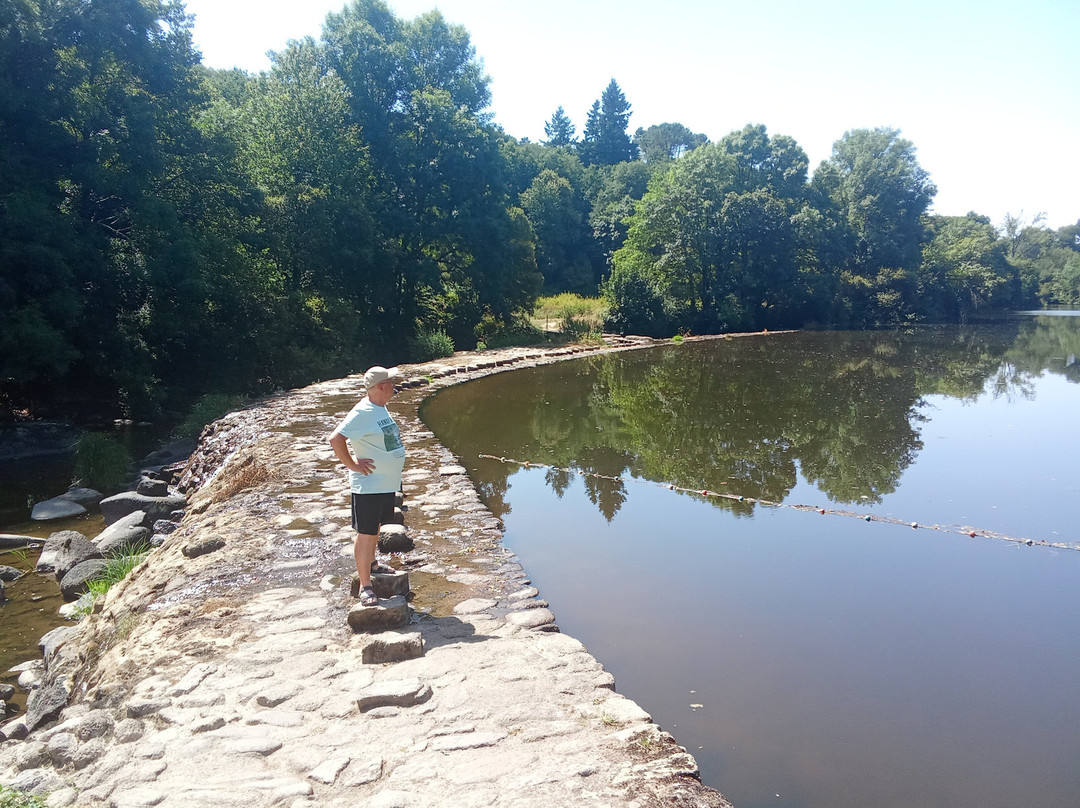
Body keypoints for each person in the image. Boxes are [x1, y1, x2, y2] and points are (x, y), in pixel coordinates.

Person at [329, 365, 406, 606]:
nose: (395, 386)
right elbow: (336, 438)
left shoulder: (379, 408)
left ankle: (372, 565)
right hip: (369, 485)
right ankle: (365, 586)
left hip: (383, 483)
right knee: (366, 533)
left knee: (375, 528)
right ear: (381, 386)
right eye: (392, 383)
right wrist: (352, 464)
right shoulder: (362, 411)